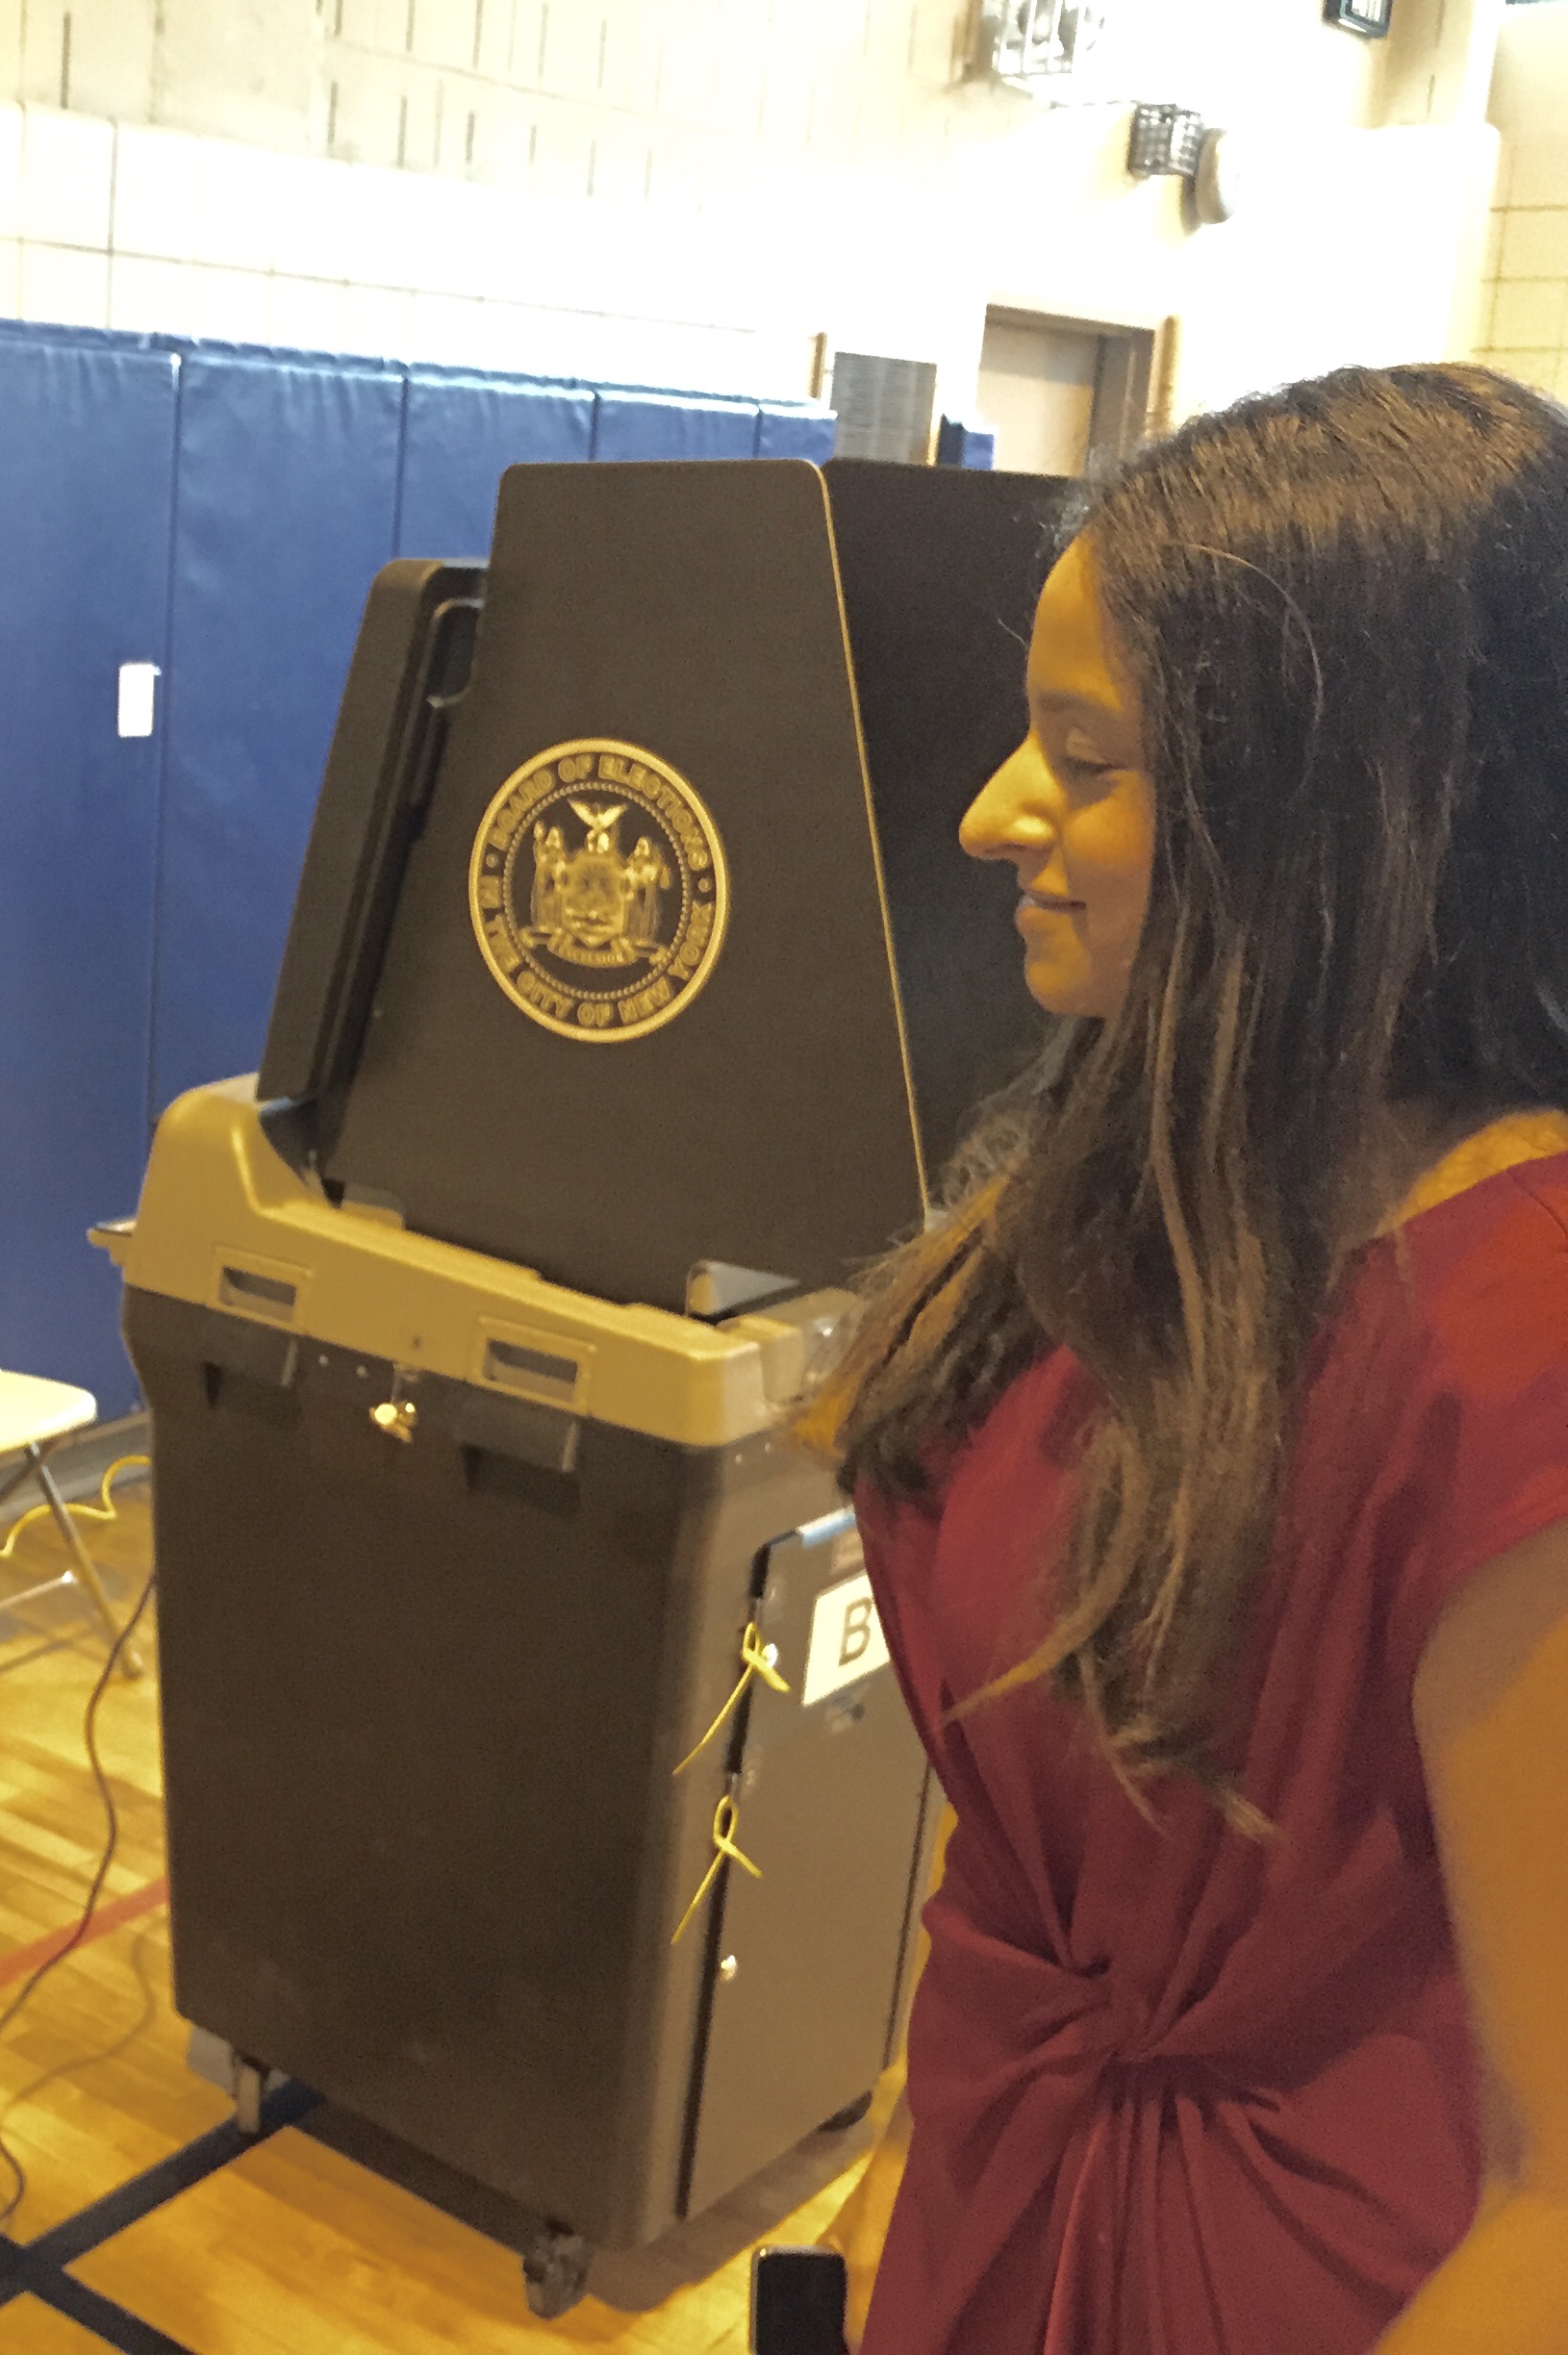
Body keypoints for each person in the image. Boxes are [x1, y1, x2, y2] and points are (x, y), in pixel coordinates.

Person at [806, 364, 1568, 2352]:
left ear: (1326, 810)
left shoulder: (1514, 1348)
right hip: (1002, 2179)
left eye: (1085, 752)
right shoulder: (1157, 1169)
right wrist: (915, 2153)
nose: (996, 814)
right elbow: (1032, 1872)